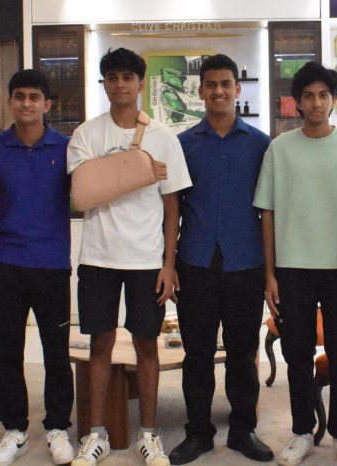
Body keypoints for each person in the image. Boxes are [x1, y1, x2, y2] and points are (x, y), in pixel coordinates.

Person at [67, 47, 191, 466]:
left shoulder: (163, 137)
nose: (120, 84)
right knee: (99, 345)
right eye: (112, 77)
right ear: (104, 83)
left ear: (140, 83)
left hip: (146, 259)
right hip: (98, 257)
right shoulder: (86, 134)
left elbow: (172, 206)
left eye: (127, 77)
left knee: (146, 346)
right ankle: (96, 435)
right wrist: (138, 169)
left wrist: (169, 264)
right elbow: (82, 193)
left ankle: (149, 435)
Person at [253, 61, 337, 466]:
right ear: (297, 103)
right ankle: (302, 431)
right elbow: (267, 213)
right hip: (292, 269)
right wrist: (269, 273)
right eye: (308, 96)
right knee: (297, 355)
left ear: (333, 100)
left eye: (323, 95)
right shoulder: (280, 148)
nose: (316, 103)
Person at [170, 54, 273, 465]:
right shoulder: (183, 145)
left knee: (243, 353)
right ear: (200, 91)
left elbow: (269, 210)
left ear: (237, 89)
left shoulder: (261, 145)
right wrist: (168, 263)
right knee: (196, 355)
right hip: (195, 262)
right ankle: (198, 433)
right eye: (210, 84)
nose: (218, 91)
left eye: (225, 84)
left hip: (245, 262)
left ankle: (243, 430)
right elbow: (173, 207)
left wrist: (271, 270)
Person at [0, 69, 75, 466]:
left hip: (51, 264)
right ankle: (14, 429)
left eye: (34, 97)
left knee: (57, 352)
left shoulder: (67, 147)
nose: (26, 103)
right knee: (7, 352)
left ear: (47, 104)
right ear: (10, 101)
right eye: (19, 96)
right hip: (4, 262)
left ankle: (57, 427)